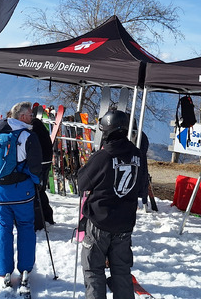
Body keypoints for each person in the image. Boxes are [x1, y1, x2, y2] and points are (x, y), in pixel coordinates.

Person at [78, 109, 148, 299]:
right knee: (121, 272)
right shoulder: (138, 154)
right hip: (125, 224)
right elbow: (142, 187)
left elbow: (82, 182)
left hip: (100, 222)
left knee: (94, 271)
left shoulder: (104, 156)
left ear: (107, 130)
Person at [0, 101, 43, 290]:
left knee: (4, 229)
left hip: (0, 191)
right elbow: (35, 167)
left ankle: (4, 270)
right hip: (22, 191)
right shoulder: (28, 136)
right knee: (25, 227)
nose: (32, 117)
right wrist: (38, 182)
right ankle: (25, 268)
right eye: (30, 115)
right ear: (22, 117)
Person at [30, 104, 55, 230]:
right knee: (41, 190)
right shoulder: (39, 126)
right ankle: (48, 217)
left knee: (36, 192)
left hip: (40, 164)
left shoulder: (33, 127)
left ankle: (40, 220)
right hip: (45, 162)